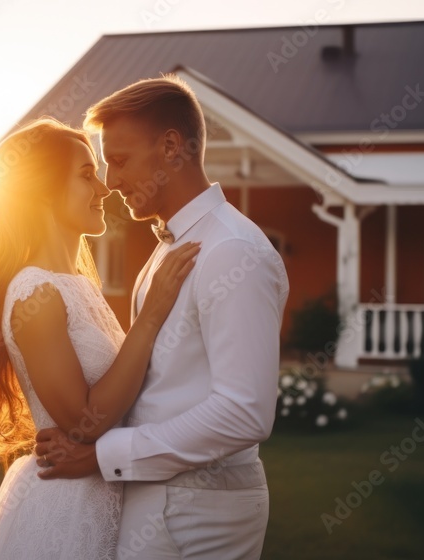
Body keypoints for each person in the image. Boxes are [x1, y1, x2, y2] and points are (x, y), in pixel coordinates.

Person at [34, 75, 290, 559]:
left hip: (197, 510)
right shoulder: (170, 250)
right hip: (167, 500)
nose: (110, 181)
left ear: (172, 147)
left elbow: (245, 411)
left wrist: (101, 456)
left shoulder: (232, 251)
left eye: (121, 160)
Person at [0, 117, 200, 559]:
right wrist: (150, 317)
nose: (104, 189)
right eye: (86, 175)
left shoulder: (78, 287)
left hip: (107, 494)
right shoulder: (35, 293)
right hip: (65, 510)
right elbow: (84, 422)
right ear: (43, 190)